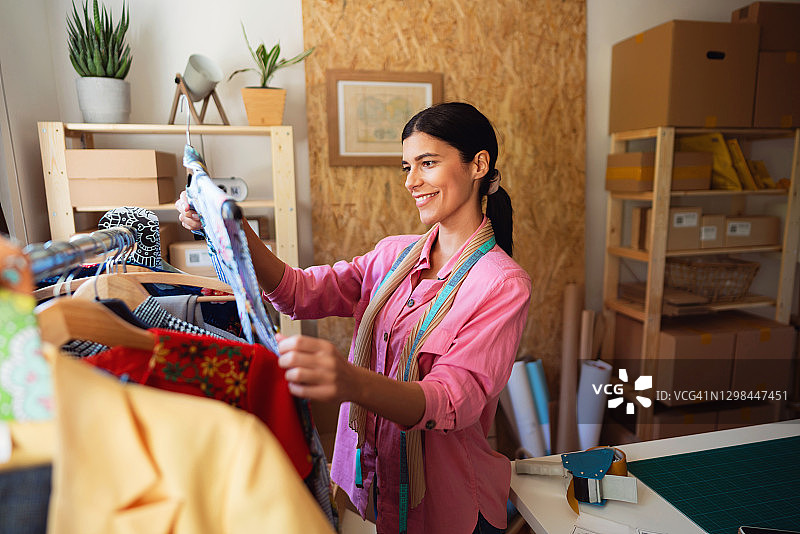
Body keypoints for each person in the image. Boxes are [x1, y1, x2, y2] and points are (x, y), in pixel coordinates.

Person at [176, 102, 531, 534]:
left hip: (451, 506)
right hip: (381, 488)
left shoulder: (502, 284)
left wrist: (351, 382)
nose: (411, 181)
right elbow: (299, 292)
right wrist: (228, 225)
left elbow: (451, 400)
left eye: (428, 163)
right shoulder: (392, 255)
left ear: (478, 165)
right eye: (407, 167)